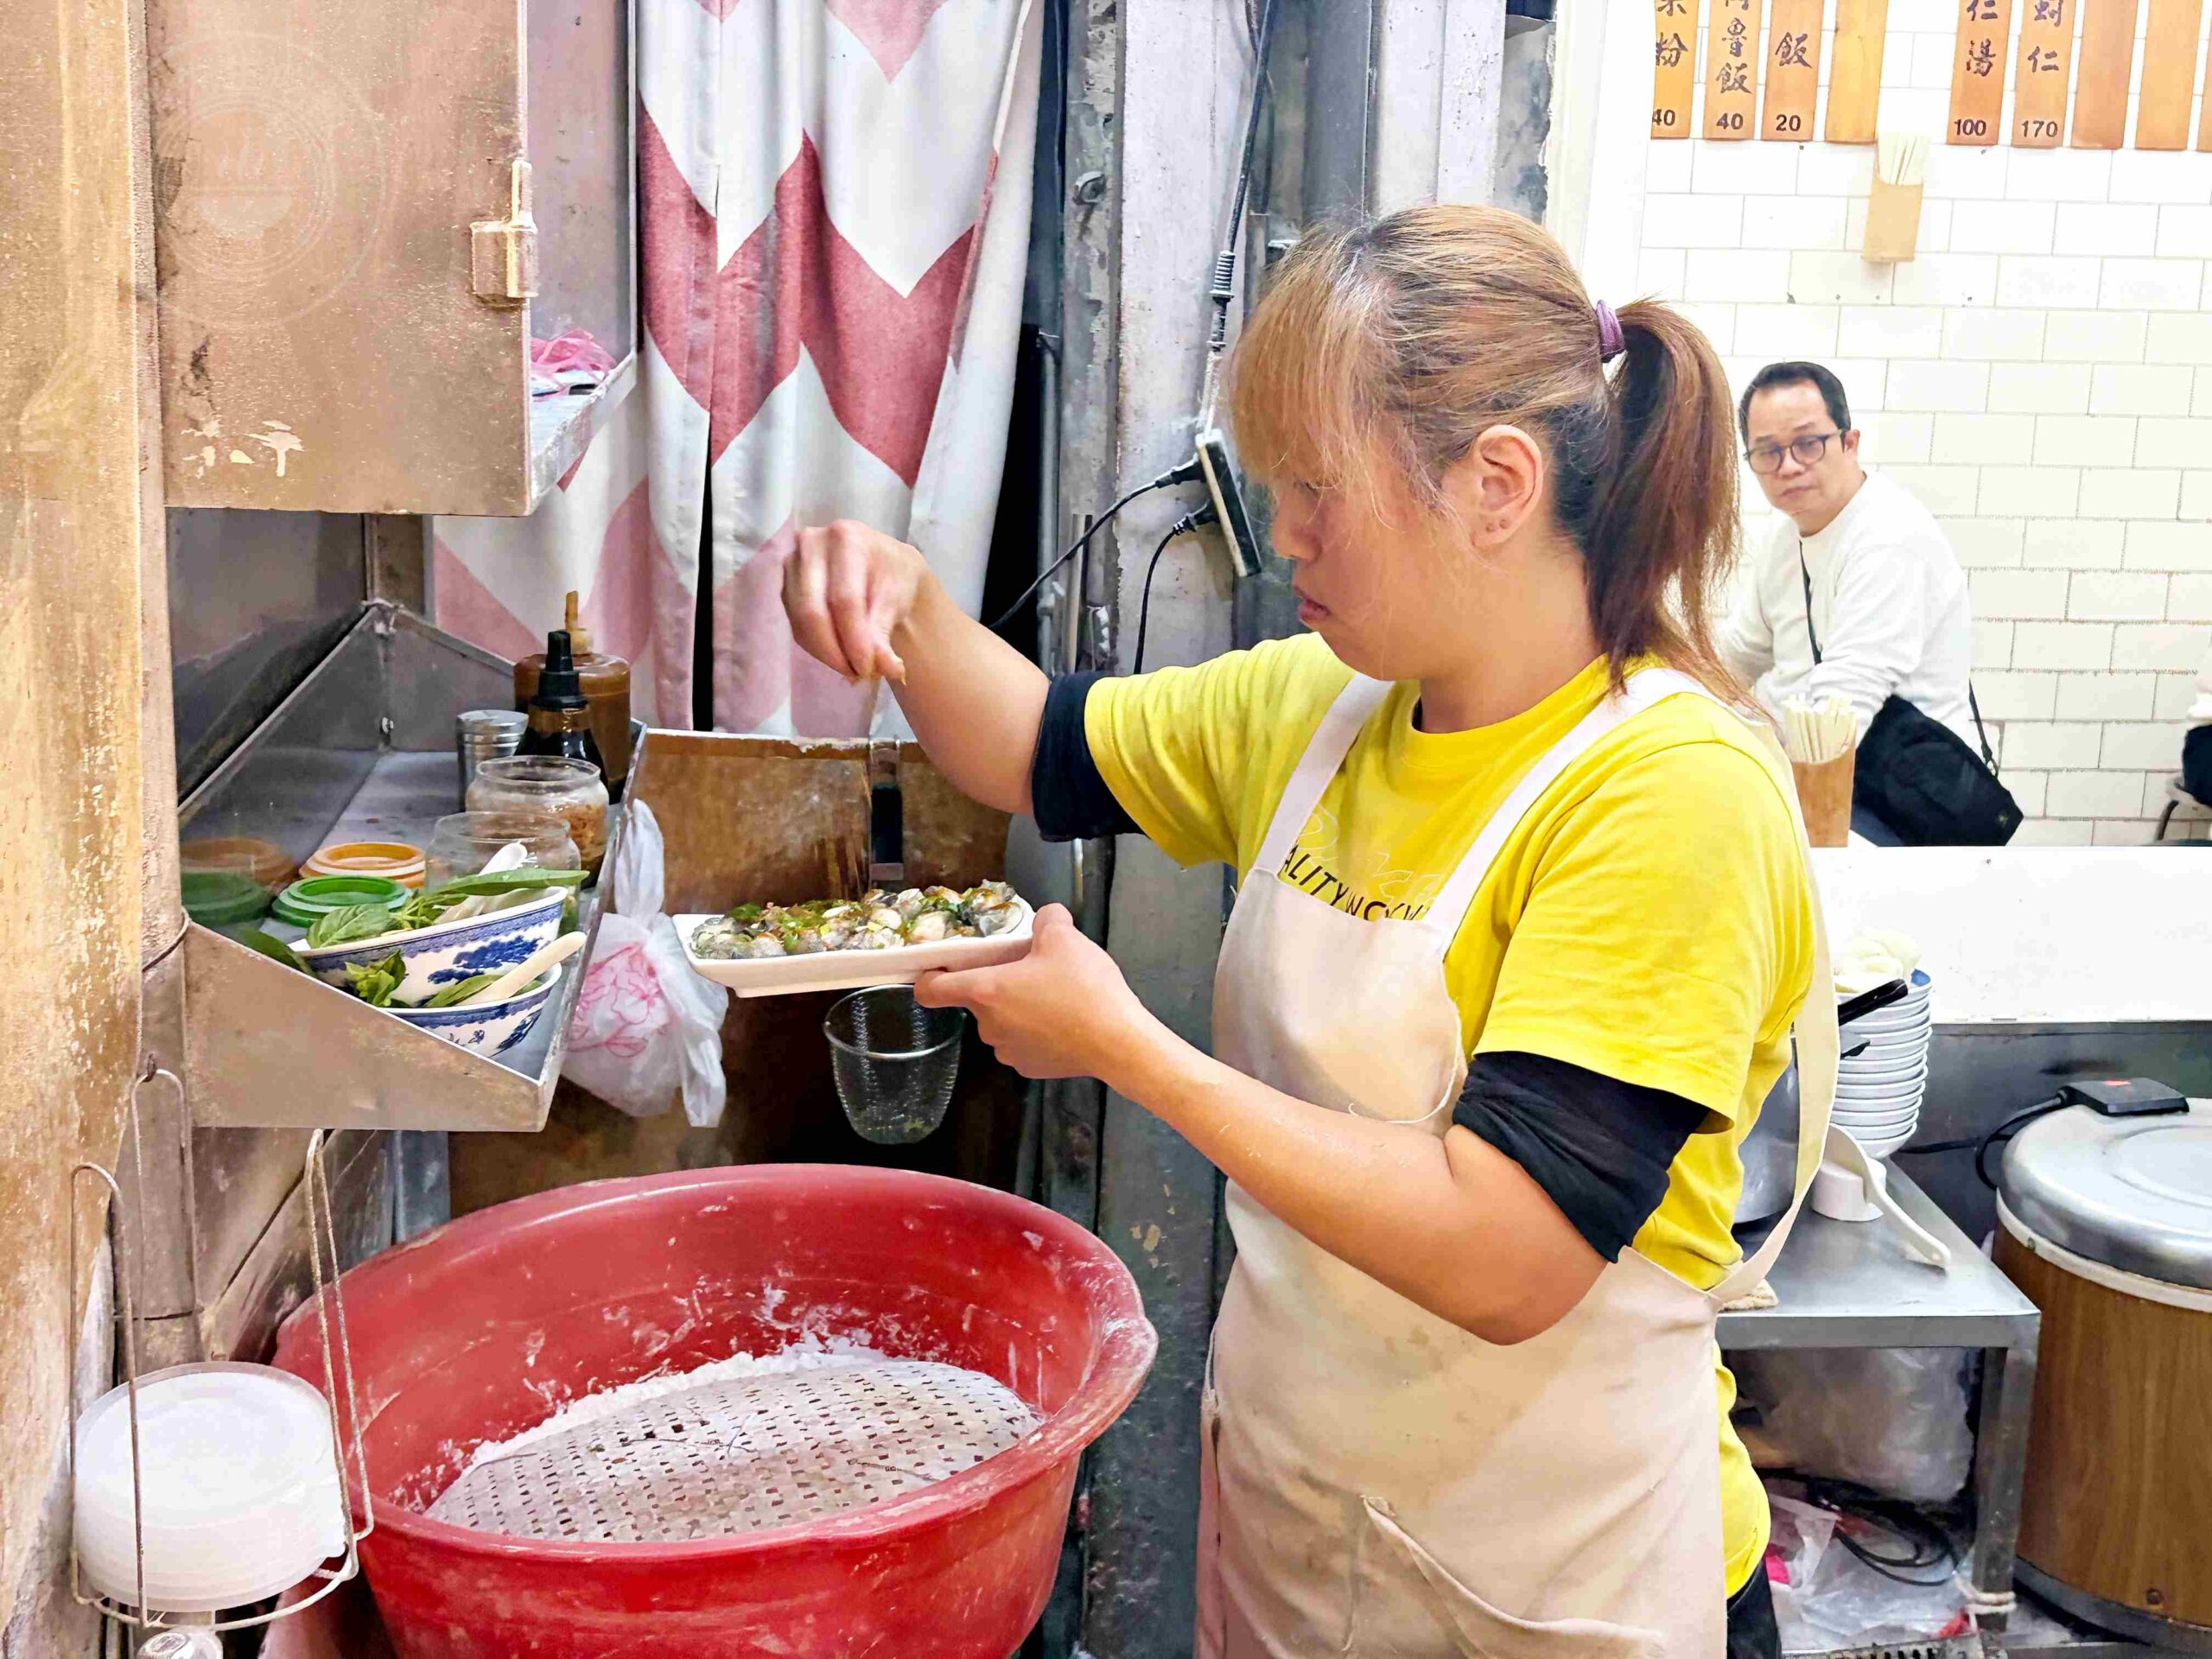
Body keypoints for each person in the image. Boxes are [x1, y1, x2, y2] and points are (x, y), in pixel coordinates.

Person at [780, 206, 1833, 1658]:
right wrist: (905, 614)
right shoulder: (1322, 710)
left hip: (1567, 1581)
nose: (1284, 537)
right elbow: (1028, 745)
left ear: (1497, 486)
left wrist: (1127, 1053)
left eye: (1317, 489)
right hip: (1302, 1526)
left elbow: (1509, 1253)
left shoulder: (1667, 795)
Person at [1720, 361, 1978, 844]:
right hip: (1831, 779)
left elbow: (1841, 709)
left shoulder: (1888, 537)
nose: (1789, 465)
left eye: (1807, 443)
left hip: (1901, 799)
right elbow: (1738, 652)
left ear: (1849, 442)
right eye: (1768, 452)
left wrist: (1751, 778)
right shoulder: (1784, 536)